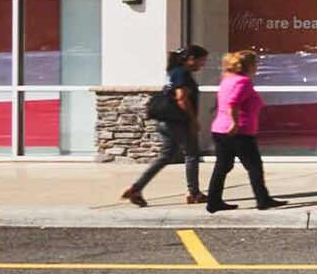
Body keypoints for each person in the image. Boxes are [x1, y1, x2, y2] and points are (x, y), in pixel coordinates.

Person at [122, 45, 208, 207]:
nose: (202, 64)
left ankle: (136, 188)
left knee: (166, 156)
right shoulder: (181, 73)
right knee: (191, 154)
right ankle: (194, 192)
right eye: (201, 60)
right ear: (191, 59)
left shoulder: (174, 73)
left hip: (165, 121)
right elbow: (181, 97)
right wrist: (192, 120)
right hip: (178, 122)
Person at [205, 50, 284, 213]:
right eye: (255, 64)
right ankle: (263, 200)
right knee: (254, 166)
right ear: (248, 66)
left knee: (222, 166)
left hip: (220, 129)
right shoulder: (243, 82)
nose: (257, 67)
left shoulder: (227, 79)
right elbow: (233, 103)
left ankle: (213, 201)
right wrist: (234, 123)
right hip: (239, 131)